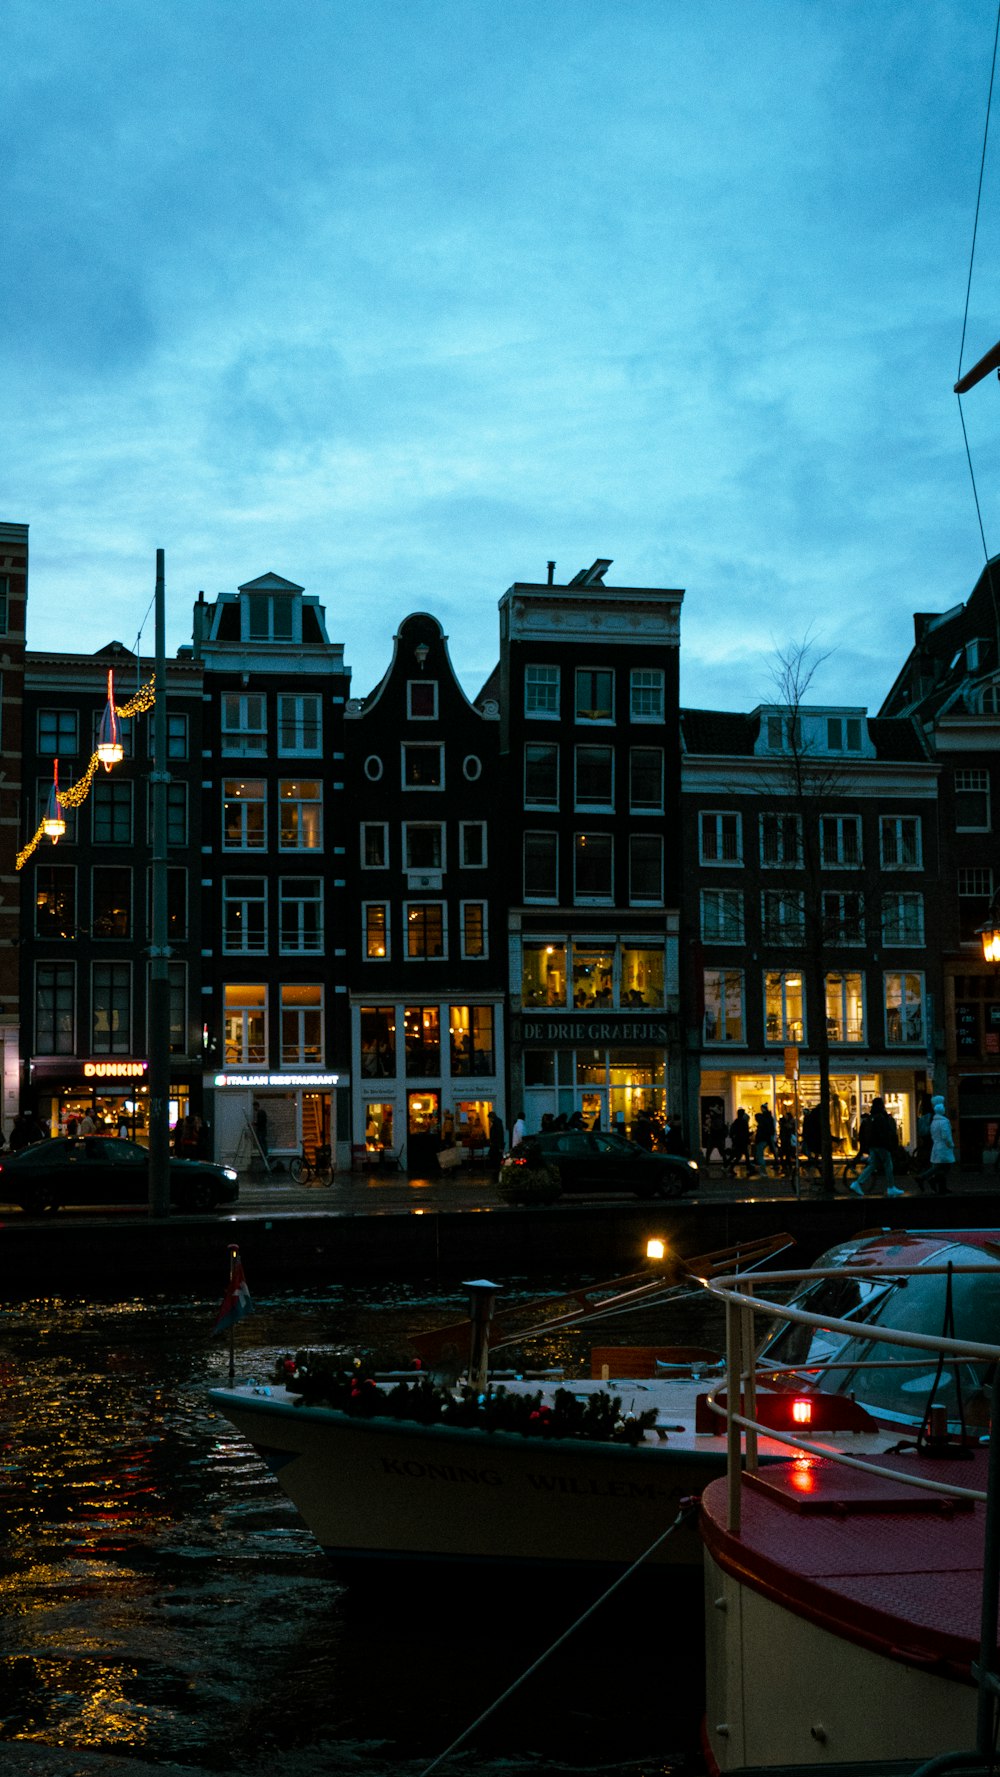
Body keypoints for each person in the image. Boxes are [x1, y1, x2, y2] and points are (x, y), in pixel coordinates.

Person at [850, 1097, 902, 1198]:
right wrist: (888, 1145)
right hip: (881, 1145)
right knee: (888, 1164)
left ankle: (858, 1182)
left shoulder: (872, 1116)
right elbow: (884, 1132)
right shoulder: (881, 1117)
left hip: (872, 1145)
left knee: (873, 1165)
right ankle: (891, 1187)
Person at [922, 1095, 956, 1195]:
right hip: (944, 1148)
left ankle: (941, 1187)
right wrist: (951, 1144)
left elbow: (933, 1134)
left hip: (936, 1147)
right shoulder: (944, 1121)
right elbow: (946, 1136)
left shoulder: (934, 1121)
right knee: (944, 1167)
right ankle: (929, 1179)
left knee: (939, 1167)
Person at [726, 1107, 755, 1176]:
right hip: (742, 1142)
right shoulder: (744, 1122)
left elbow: (732, 1132)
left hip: (737, 1142)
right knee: (744, 1155)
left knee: (737, 1155)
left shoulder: (736, 1121)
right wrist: (750, 1134)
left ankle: (729, 1166)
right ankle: (748, 1168)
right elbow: (745, 1133)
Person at [754, 1103, 776, 1173]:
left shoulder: (764, 1119)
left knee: (759, 1154)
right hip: (767, 1137)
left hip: (763, 1138)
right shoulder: (769, 1118)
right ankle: (776, 1163)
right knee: (761, 1153)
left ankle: (763, 1170)